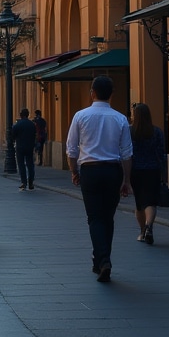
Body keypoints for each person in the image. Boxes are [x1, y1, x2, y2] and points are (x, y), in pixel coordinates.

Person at [66, 75, 132, 283]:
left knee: (94, 217)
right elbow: (127, 153)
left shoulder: (80, 116)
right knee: (107, 217)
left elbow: (71, 148)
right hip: (113, 171)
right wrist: (126, 180)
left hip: (90, 170)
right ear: (111, 94)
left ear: (92, 92)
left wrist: (73, 171)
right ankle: (103, 259)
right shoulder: (120, 118)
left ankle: (102, 260)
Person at [129, 102, 166, 244]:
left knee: (139, 204)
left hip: (135, 170)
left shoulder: (129, 131)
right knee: (150, 201)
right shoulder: (156, 132)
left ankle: (142, 231)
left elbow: (125, 153)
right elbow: (161, 153)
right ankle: (149, 226)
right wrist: (163, 173)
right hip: (153, 170)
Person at [11, 107, 38, 191]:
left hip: (20, 147)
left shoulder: (17, 125)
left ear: (21, 115)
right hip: (30, 147)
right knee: (30, 164)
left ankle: (23, 182)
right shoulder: (32, 124)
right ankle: (31, 183)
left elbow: (13, 136)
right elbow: (35, 135)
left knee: (21, 165)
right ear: (28, 115)